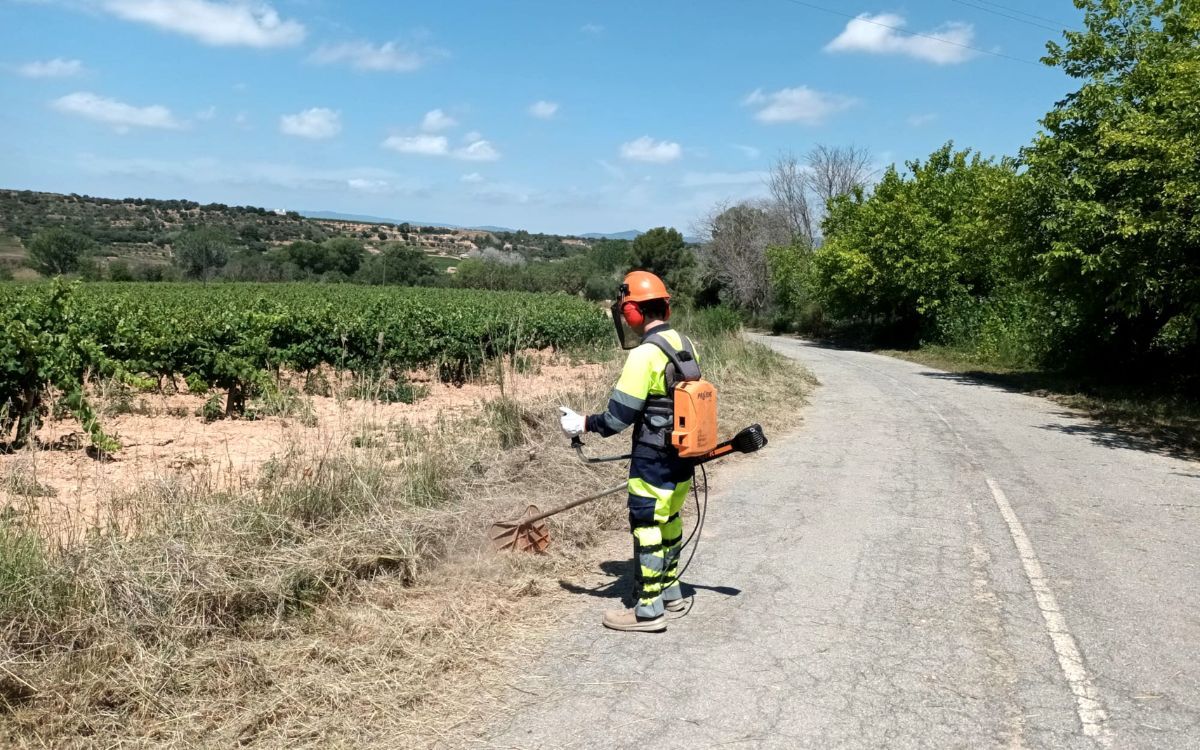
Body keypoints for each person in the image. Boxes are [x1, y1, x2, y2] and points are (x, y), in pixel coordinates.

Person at [559, 270, 698, 633]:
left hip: (653, 459)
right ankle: (671, 590)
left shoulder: (644, 355)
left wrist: (583, 424)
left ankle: (648, 609)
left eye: (626, 313)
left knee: (647, 524)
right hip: (683, 454)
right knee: (670, 519)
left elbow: (618, 418)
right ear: (664, 307)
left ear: (634, 312)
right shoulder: (684, 344)